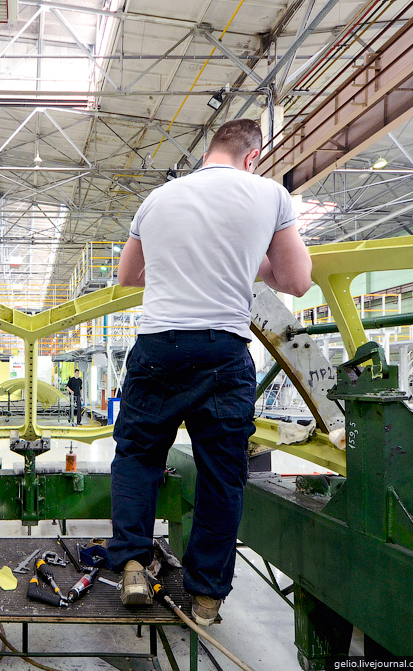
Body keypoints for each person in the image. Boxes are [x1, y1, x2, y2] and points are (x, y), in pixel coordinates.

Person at [107, 119, 312, 624]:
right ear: (252, 156)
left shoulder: (157, 199)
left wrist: (180, 265)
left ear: (209, 151)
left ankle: (133, 562)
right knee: (223, 476)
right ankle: (205, 596)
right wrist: (248, 263)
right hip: (223, 351)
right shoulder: (270, 195)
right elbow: (296, 280)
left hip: (158, 347)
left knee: (137, 456)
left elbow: (129, 276)